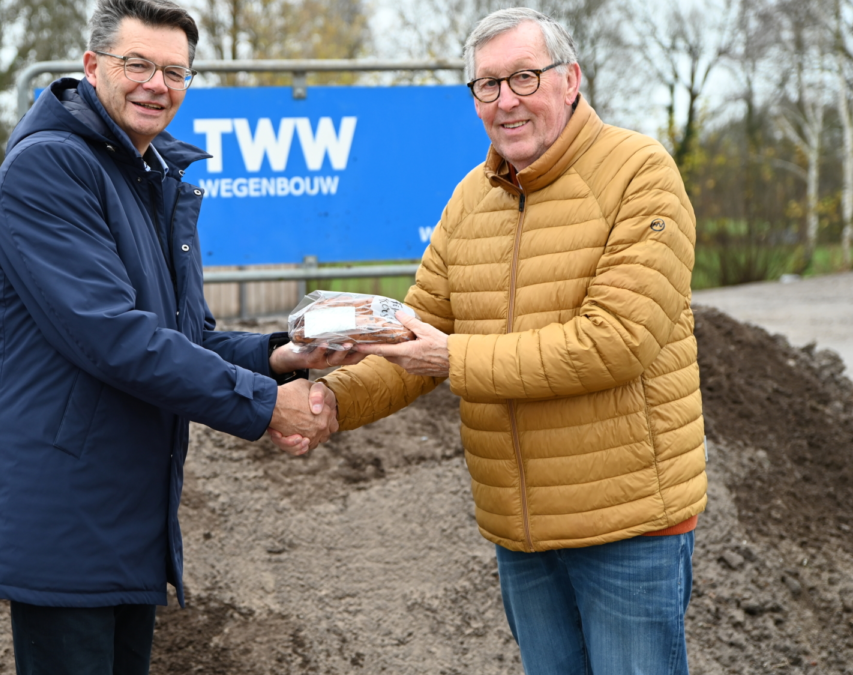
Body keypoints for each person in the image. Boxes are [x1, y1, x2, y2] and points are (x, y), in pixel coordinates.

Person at [279, 7, 707, 674]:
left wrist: (451, 356)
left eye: (524, 78)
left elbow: (617, 341)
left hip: (627, 526)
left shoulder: (639, 173)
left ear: (571, 80)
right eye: (487, 85)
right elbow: (414, 336)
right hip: (521, 531)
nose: (505, 100)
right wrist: (333, 403)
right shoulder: (467, 203)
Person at [0, 1, 354, 673]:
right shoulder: (49, 169)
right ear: (91, 67)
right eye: (136, 64)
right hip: (64, 515)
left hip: (124, 513)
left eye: (174, 71)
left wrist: (280, 356)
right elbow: (114, 336)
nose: (156, 84)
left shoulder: (151, 178)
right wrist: (264, 405)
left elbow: (184, 335)